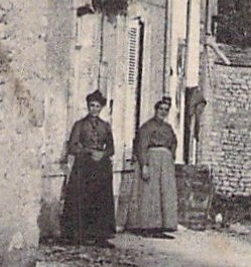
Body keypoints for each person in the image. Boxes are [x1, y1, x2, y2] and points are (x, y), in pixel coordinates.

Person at [63, 90, 116, 246]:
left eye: (97, 106)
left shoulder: (105, 126)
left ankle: (100, 236)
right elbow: (72, 146)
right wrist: (88, 151)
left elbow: (112, 148)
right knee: (82, 199)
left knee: (101, 200)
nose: (94, 109)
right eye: (91, 105)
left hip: (101, 167)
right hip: (84, 167)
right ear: (88, 106)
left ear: (101, 108)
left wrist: (103, 154)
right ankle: (80, 234)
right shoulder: (79, 125)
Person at [128, 97, 179, 237]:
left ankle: (161, 226)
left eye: (166, 110)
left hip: (165, 164)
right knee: (150, 193)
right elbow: (141, 146)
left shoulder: (168, 128)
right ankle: (147, 226)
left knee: (164, 193)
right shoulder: (147, 127)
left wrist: (171, 155)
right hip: (152, 161)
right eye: (161, 109)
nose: (163, 112)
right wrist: (144, 165)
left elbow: (174, 142)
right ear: (156, 110)